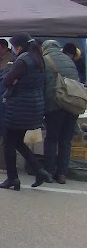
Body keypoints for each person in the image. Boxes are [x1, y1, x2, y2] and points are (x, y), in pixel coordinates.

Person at [0, 34, 51, 190]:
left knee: (9, 142)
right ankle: (39, 170)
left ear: (18, 47)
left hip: (19, 106)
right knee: (18, 141)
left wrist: (9, 75)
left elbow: (7, 80)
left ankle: (12, 178)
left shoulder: (22, 61)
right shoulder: (38, 59)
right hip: (33, 105)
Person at [42, 40, 80, 184]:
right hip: (72, 104)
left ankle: (50, 172)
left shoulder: (45, 60)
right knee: (65, 140)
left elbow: (43, 84)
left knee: (51, 139)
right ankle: (62, 174)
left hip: (55, 104)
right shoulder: (68, 60)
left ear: (45, 48)